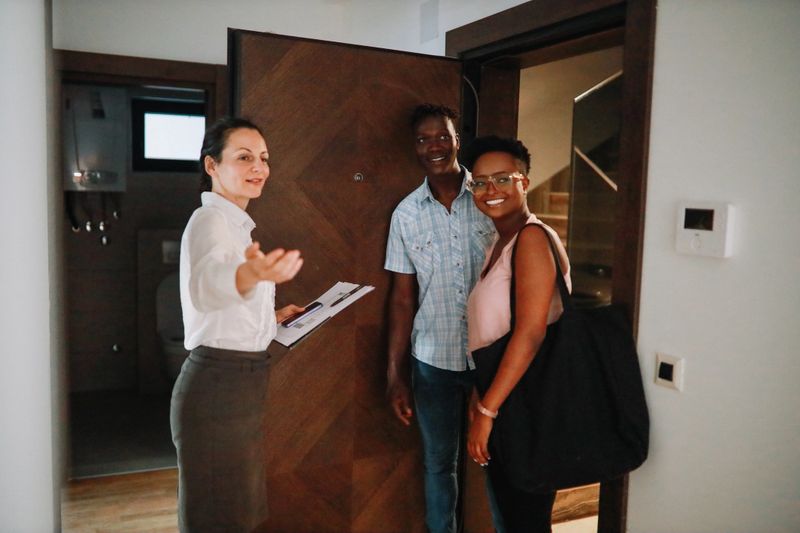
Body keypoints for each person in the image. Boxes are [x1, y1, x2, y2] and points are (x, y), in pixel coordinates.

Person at [170, 117, 305, 532]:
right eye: (244, 157)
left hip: (239, 384)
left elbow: (226, 310)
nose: (258, 168)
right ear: (211, 166)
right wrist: (250, 276)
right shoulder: (209, 221)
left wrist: (269, 318)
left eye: (263, 158)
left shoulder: (236, 226)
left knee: (237, 515)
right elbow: (207, 287)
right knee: (217, 518)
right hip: (217, 387)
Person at [384, 104, 501, 533]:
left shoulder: (491, 197)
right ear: (414, 147)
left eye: (442, 136)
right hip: (432, 361)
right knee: (438, 465)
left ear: (457, 139)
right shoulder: (406, 214)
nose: (434, 146)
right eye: (423, 138)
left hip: (492, 358)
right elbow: (401, 300)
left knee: (499, 458)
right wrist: (395, 375)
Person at [463, 136, 571, 532]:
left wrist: (487, 412)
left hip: (528, 400)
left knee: (524, 519)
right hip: (504, 392)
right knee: (511, 515)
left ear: (524, 181)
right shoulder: (500, 240)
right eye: (479, 182)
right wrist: (482, 397)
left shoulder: (530, 238)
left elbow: (529, 334)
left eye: (503, 179)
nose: (490, 191)